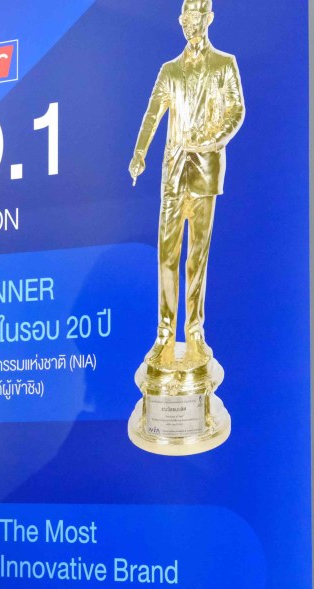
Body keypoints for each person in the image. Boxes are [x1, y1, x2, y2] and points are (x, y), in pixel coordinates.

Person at [128, 0, 244, 364]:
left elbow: (236, 110)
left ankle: (194, 330)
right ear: (181, 22)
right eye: (186, 20)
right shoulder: (170, 70)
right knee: (167, 255)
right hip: (173, 175)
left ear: (208, 19)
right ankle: (164, 332)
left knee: (197, 257)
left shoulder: (224, 64)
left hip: (205, 174)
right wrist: (140, 152)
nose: (191, 26)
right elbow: (152, 114)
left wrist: (213, 139)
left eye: (196, 19)